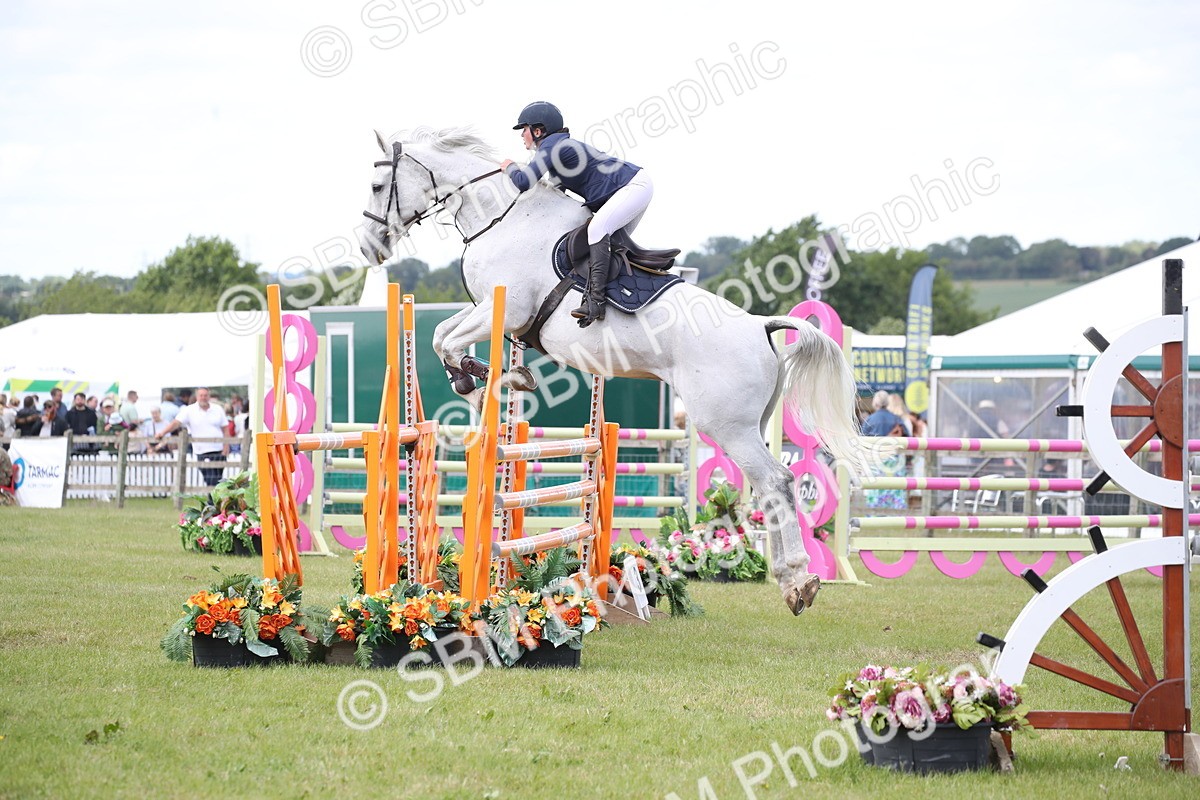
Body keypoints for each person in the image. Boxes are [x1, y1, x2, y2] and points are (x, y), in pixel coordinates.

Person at [501, 101, 654, 327]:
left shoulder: (552, 146)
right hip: (631, 187)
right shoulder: (558, 149)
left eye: (524, 129)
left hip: (632, 187)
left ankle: (596, 302)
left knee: (597, 230)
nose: (522, 135)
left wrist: (510, 167)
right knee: (605, 242)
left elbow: (524, 182)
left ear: (538, 130)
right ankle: (620, 297)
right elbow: (557, 198)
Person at [154, 387, 229, 486]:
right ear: (197, 397)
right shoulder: (189, 410)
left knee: (218, 478)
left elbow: (225, 428)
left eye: (205, 395)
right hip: (201, 451)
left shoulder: (217, 409)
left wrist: (226, 446)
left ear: (209, 396)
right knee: (210, 478)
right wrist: (162, 433)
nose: (203, 398)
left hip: (218, 450)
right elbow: (176, 423)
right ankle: (213, 501)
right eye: (201, 395)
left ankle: (213, 501)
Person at [860, 391, 907, 510]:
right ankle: (895, 509)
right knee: (894, 487)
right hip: (894, 460)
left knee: (875, 487)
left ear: (875, 403)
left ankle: (875, 509)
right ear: (887, 403)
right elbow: (908, 437)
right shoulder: (896, 419)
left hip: (876, 459)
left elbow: (861, 440)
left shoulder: (869, 420)